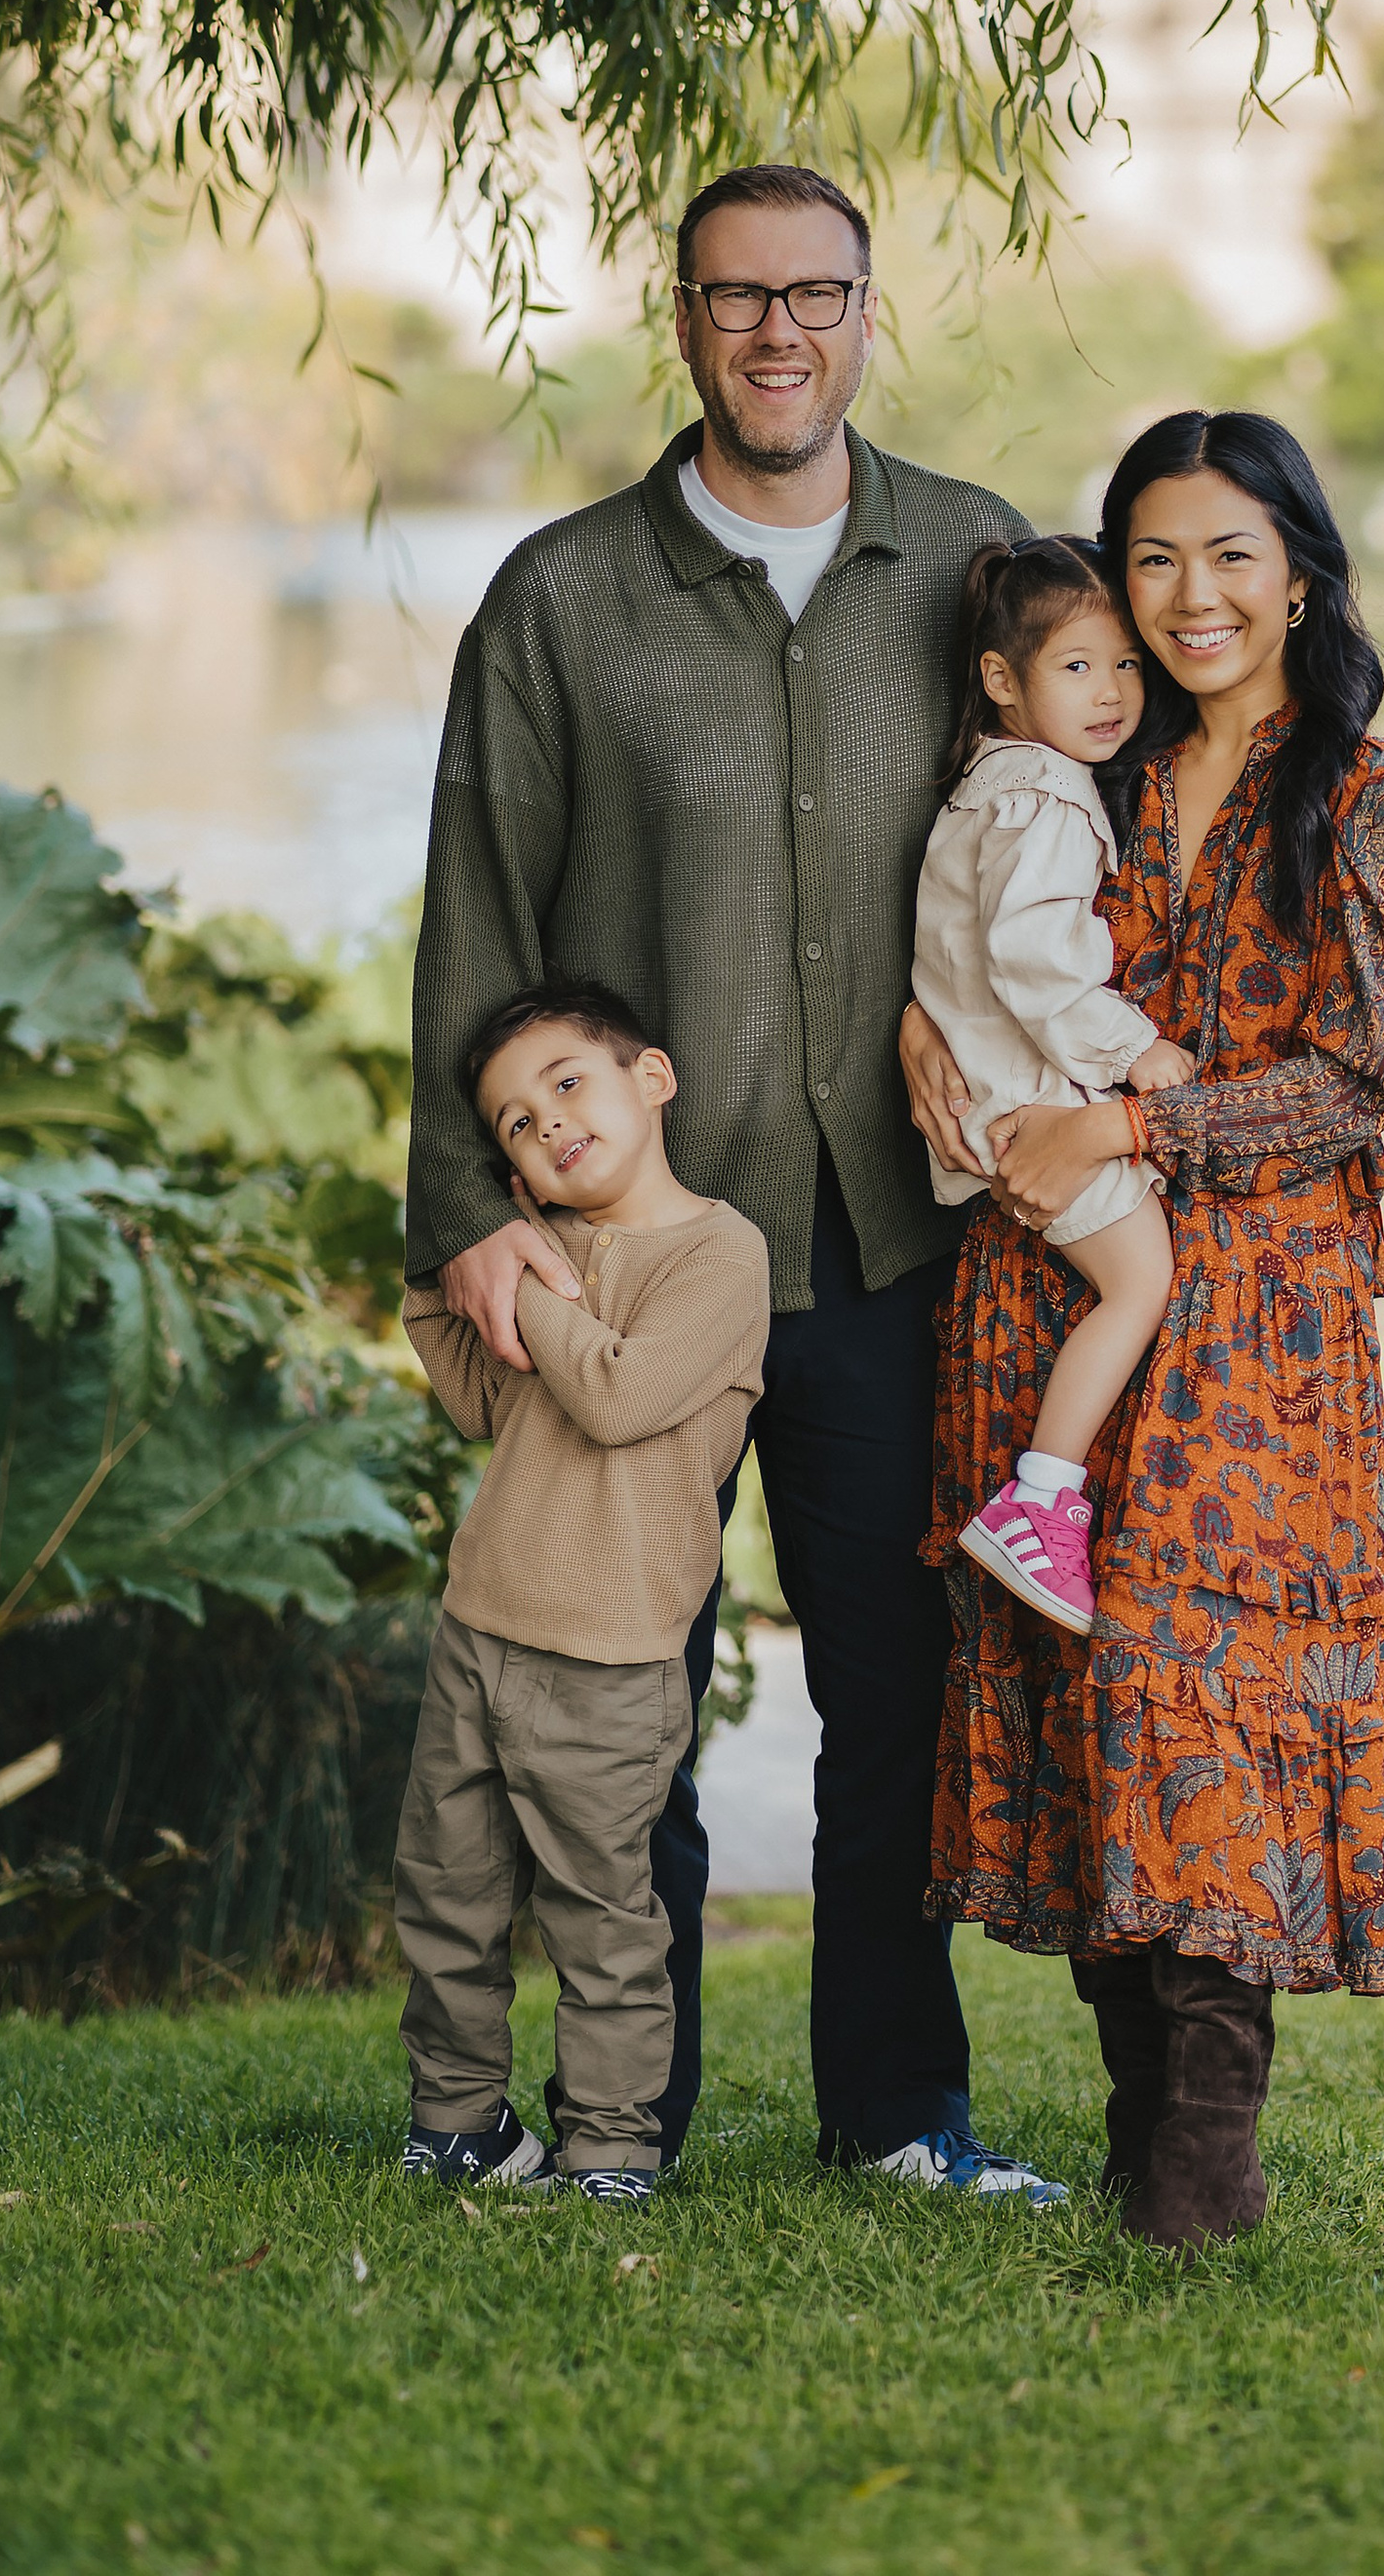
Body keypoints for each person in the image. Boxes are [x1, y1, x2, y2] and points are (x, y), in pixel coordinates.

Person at [406, 162, 1062, 2199]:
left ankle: (894, 2117)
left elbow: (1071, 824)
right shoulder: (560, 598)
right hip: (629, 1282)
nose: (777, 332)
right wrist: (465, 1237)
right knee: (624, 1718)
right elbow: (475, 926)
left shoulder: (967, 561)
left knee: (899, 1705)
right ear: (678, 323)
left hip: (889, 1245)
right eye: (734, 298)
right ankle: (632, 2124)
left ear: (871, 313)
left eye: (814, 294)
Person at [909, 409, 1384, 2250]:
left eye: (1230, 554)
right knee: (1091, 1701)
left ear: (1300, 568)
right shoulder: (1082, 754)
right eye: (1152, 557)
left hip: (1257, 1337)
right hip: (1055, 1284)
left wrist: (1144, 1124)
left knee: (1206, 1716)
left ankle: (1200, 2170)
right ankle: (1132, 2122)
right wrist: (935, 1062)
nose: (1190, 596)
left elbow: (1360, 1076)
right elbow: (965, 946)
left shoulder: (1371, 794)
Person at [393, 977, 769, 2199]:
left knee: (602, 1924)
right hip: (477, 1629)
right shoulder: (527, 1250)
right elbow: (475, 1393)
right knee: (447, 1902)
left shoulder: (724, 1253)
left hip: (612, 1657)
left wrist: (529, 1272)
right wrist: (454, 1249)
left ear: (649, 1079)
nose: (544, 1122)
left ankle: (611, 2147)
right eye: (511, 1122)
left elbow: (615, 1396)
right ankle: (460, 2125)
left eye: (565, 1085)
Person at [912, 535, 1197, 1639]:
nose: (1113, 693)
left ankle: (1042, 1492)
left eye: (1128, 665)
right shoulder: (1051, 796)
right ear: (1000, 676)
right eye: (1078, 667)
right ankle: (1039, 1498)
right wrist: (1134, 1051)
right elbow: (1034, 956)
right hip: (1027, 1099)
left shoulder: (991, 781)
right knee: (1138, 1283)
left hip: (988, 1089)